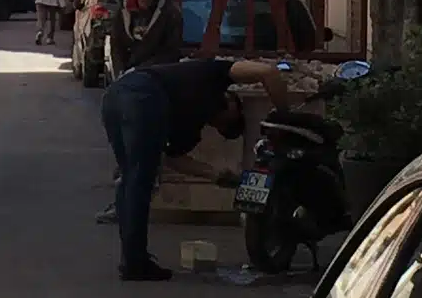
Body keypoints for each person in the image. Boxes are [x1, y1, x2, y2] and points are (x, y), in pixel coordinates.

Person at [101, 58, 289, 282]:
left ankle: (132, 259)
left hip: (115, 96)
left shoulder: (191, 128)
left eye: (222, 127)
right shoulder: (215, 75)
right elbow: (268, 72)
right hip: (143, 94)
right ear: (232, 101)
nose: (219, 122)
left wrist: (216, 175)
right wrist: (286, 117)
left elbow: (173, 158)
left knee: (132, 178)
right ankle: (134, 262)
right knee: (138, 181)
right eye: (229, 121)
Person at [96, 0, 183, 226]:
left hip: (153, 86)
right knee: (122, 146)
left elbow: (171, 52)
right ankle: (124, 202)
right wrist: (122, 74)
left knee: (144, 147)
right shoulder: (123, 10)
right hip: (125, 86)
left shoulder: (170, 13)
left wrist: (142, 73)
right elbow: (117, 46)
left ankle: (136, 206)